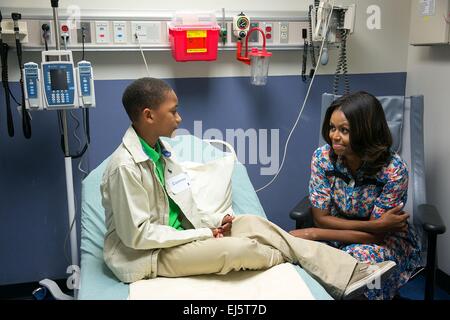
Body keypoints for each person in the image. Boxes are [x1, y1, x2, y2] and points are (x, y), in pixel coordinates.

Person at [101, 78, 396, 300]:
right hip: (147, 255)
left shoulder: (161, 151)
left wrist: (213, 224)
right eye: (174, 112)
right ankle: (303, 260)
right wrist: (204, 234)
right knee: (238, 249)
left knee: (255, 224)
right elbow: (138, 236)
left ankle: (351, 271)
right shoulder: (125, 167)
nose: (179, 119)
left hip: (185, 235)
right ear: (149, 115)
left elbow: (181, 203)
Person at [289, 91, 421, 300]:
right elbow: (321, 218)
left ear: (366, 132)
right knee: (300, 259)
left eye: (344, 130)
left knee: (356, 267)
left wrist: (314, 233)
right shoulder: (323, 158)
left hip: (379, 243)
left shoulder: (393, 170)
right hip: (336, 233)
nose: (334, 136)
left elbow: (375, 237)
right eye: (332, 128)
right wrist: (374, 225)